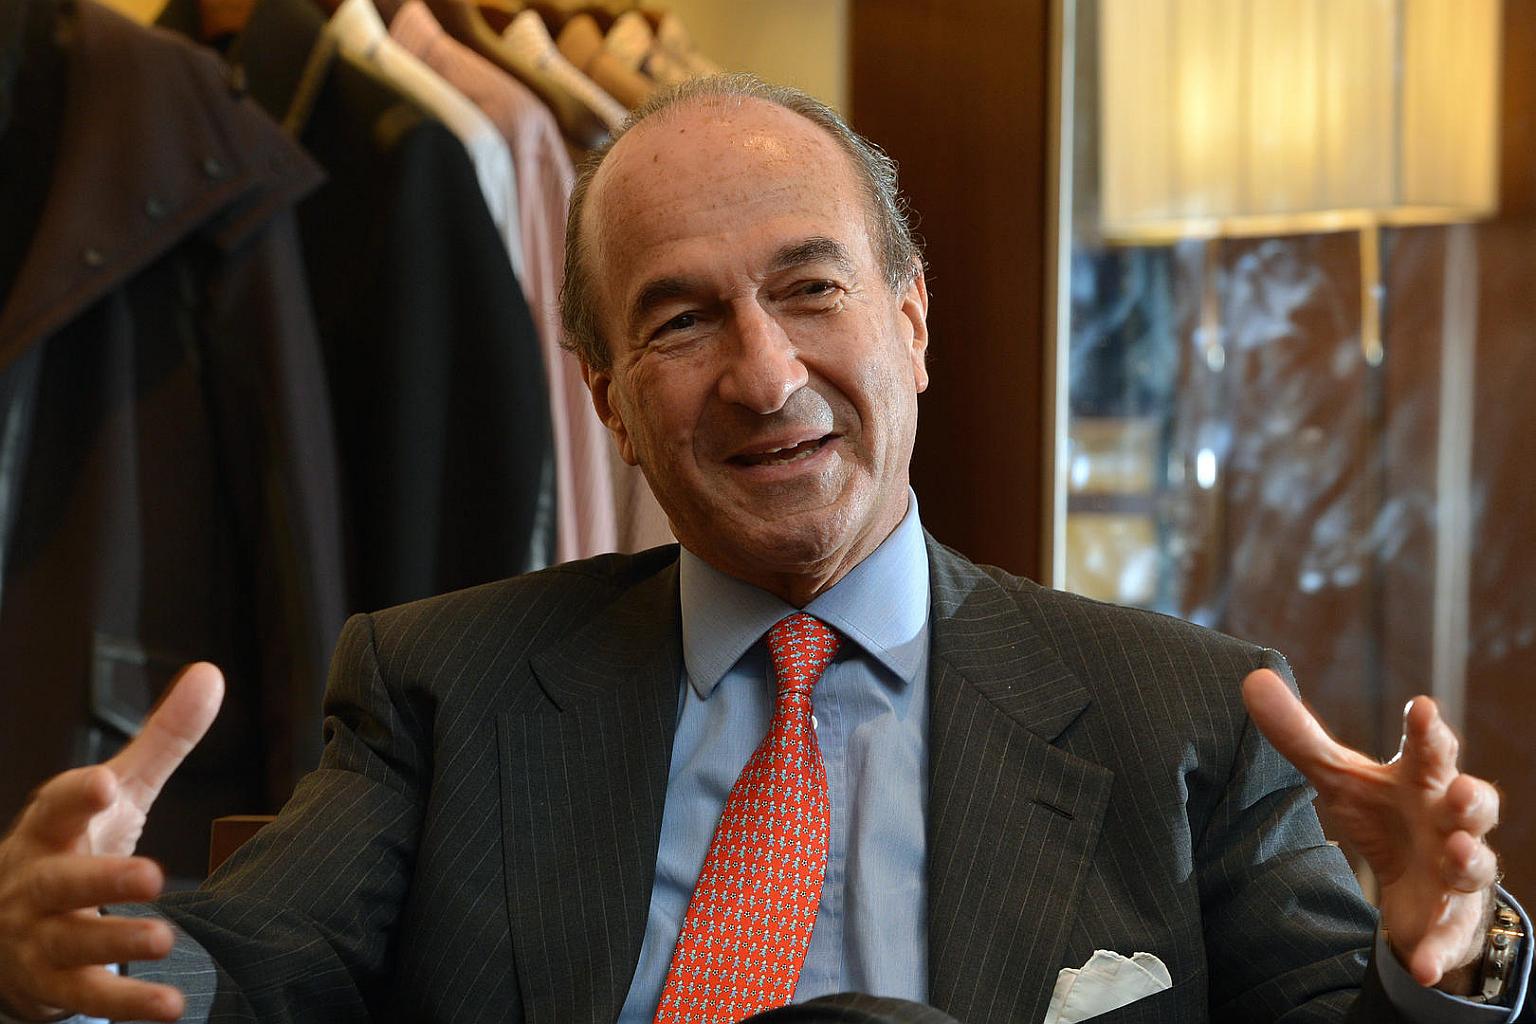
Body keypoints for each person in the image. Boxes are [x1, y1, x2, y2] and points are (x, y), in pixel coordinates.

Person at [0, 73, 1528, 1024]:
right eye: (681, 319)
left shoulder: (1186, 714)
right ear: (606, 398)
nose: (764, 374)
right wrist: (71, 967)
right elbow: (247, 973)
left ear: (911, 323)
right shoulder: (443, 689)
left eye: (811, 290)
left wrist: (1444, 960)